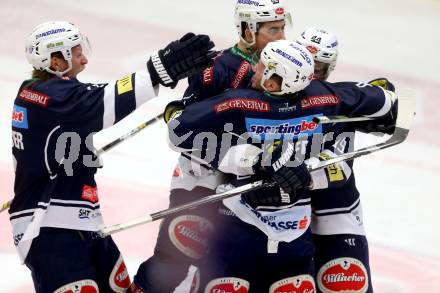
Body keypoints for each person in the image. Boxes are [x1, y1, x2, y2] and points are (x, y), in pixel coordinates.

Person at [165, 40, 397, 291]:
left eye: (262, 67)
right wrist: (388, 110)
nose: (254, 69)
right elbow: (385, 98)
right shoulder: (325, 96)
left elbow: (177, 132)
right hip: (279, 230)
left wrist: (179, 110)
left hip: (263, 233)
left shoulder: (238, 103)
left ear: (275, 80)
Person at [10, 20, 215, 293]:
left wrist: (79, 154)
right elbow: (102, 101)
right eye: (75, 52)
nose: (83, 57)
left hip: (81, 222)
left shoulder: (44, 92)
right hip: (49, 230)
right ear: (55, 62)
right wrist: (156, 71)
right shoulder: (47, 97)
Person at [131, 1, 290, 291]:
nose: (281, 37)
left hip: (249, 184)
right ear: (248, 31)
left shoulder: (284, 64)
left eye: (283, 28)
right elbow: (182, 127)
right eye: (273, 30)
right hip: (203, 177)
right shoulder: (219, 67)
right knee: (174, 262)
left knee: (224, 270)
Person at [297, 27, 395, 293]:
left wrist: (383, 104)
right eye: (306, 64)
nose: (311, 75)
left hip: (338, 214)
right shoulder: (267, 101)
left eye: (319, 67)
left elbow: (390, 106)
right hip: (285, 218)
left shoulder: (340, 99)